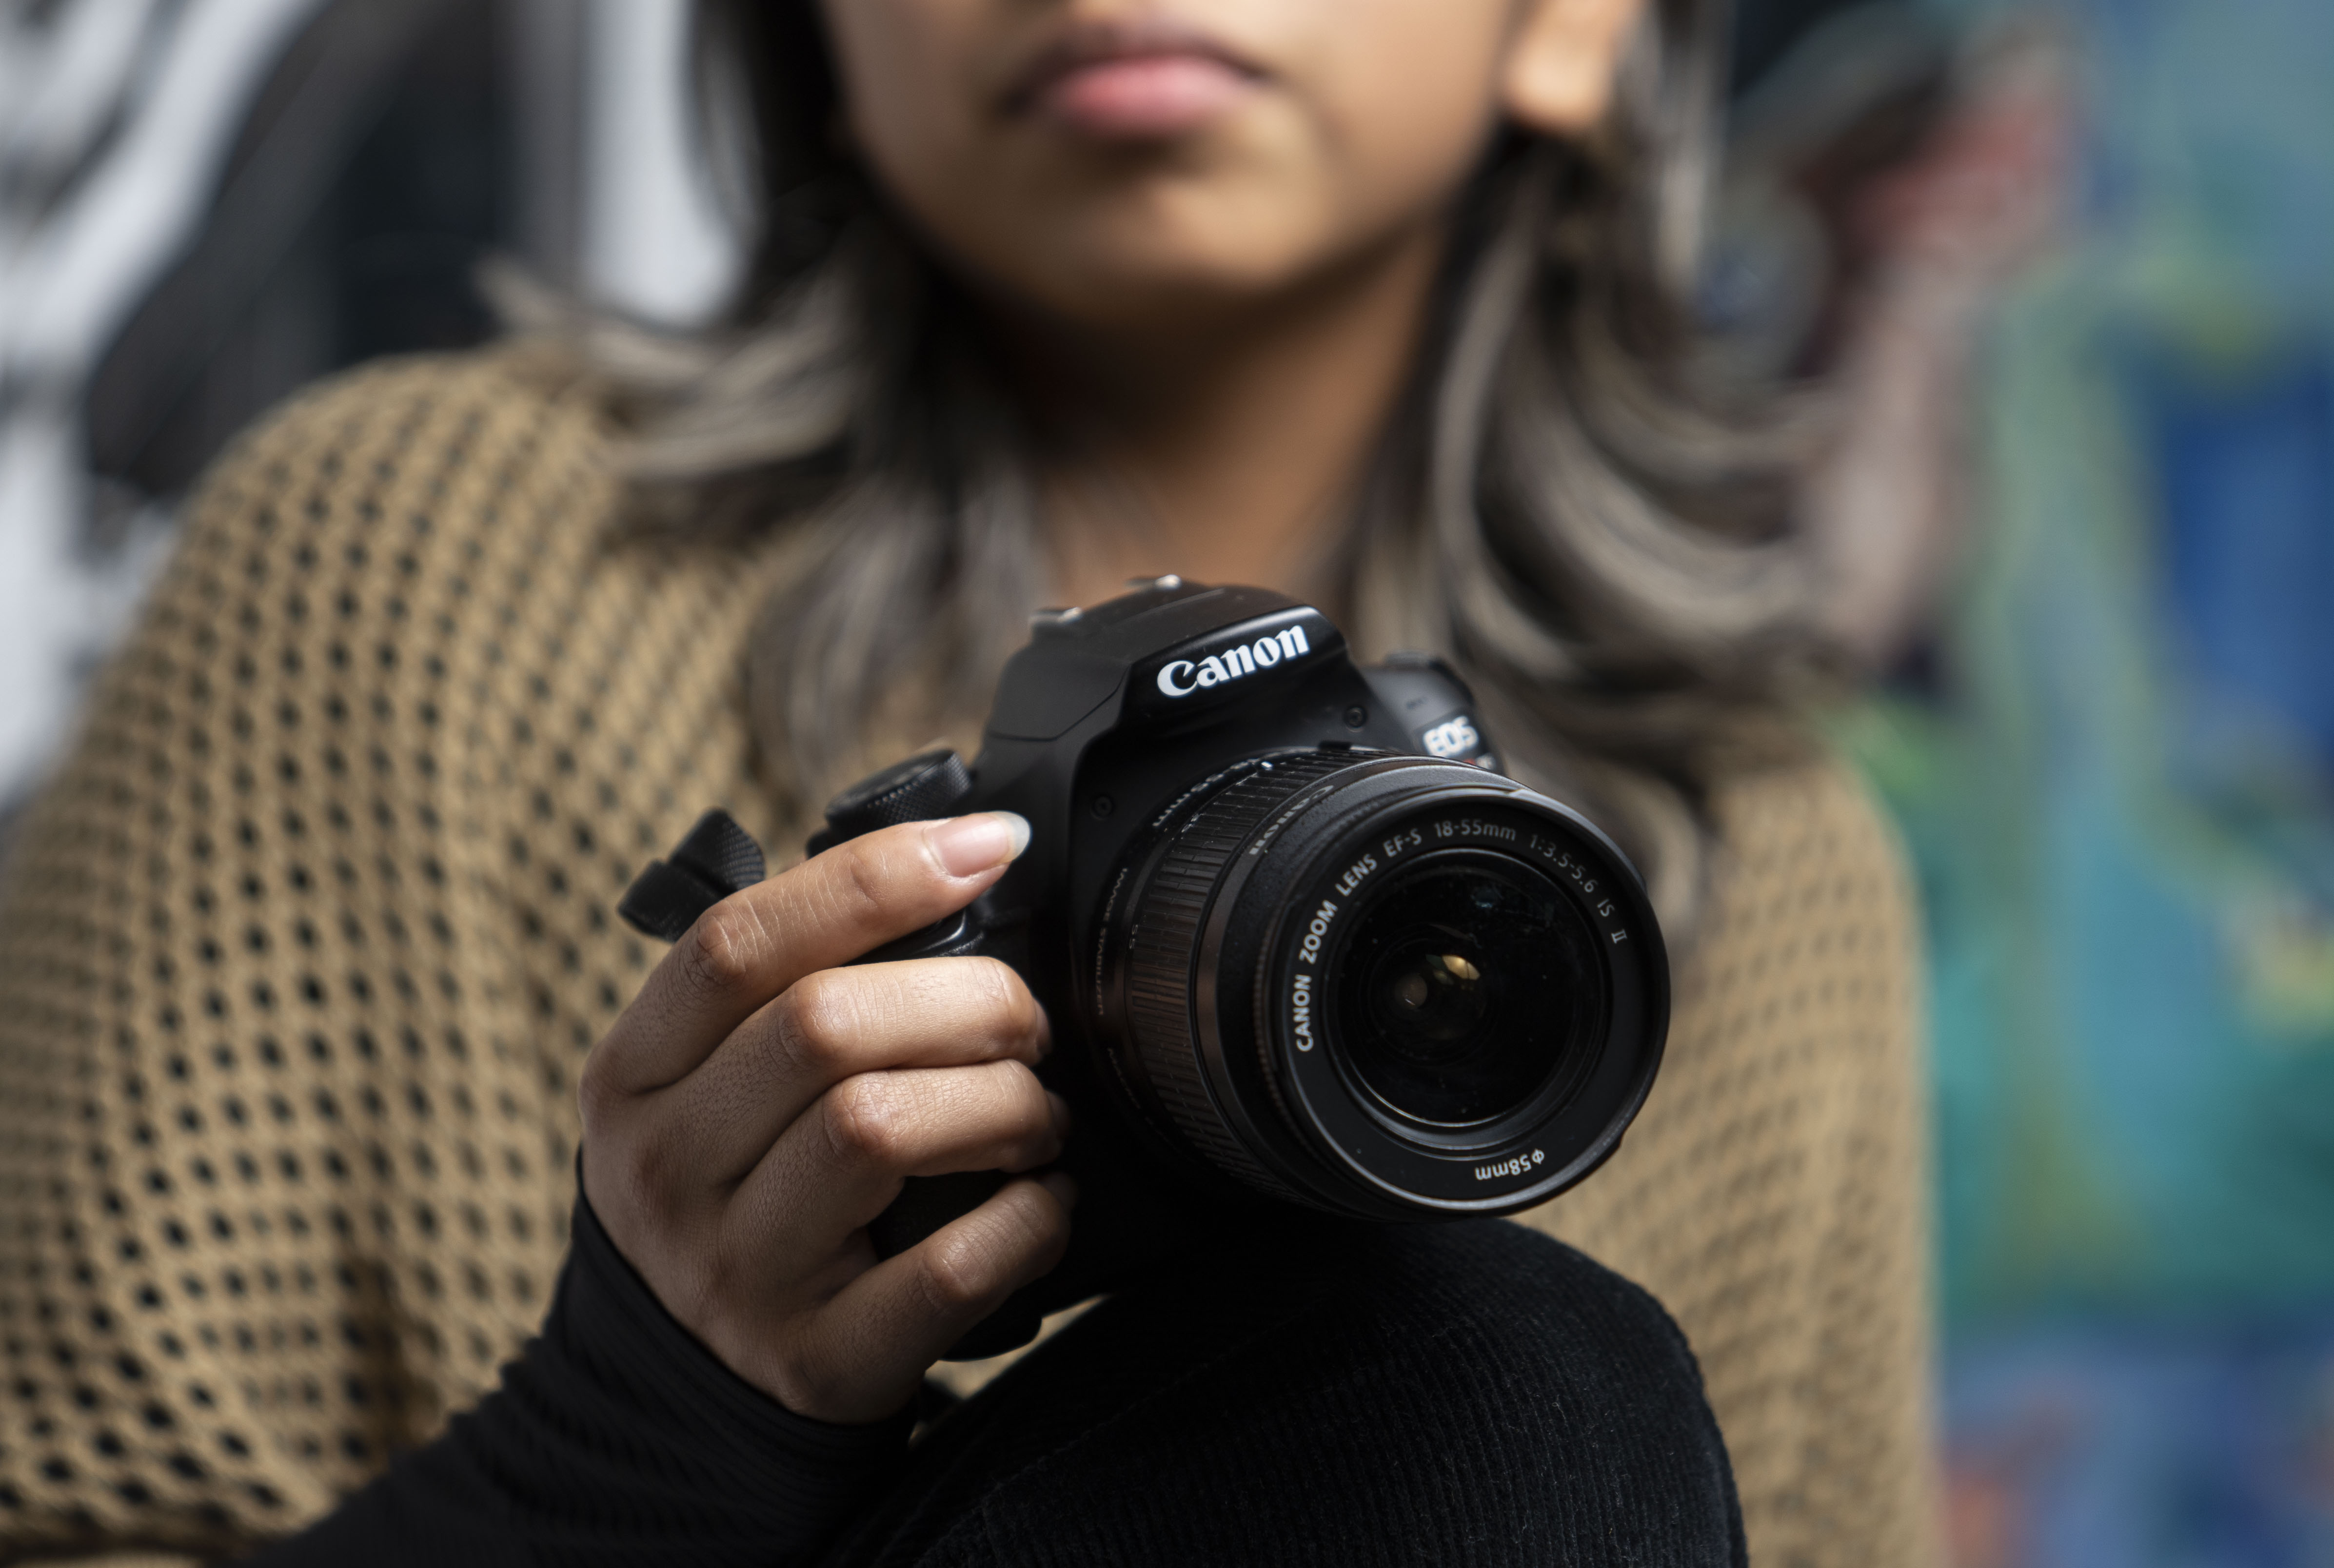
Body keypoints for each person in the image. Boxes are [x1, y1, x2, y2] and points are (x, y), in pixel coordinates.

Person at [0, 0, 1938, 1564]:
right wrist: (632, 1450)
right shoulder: (402, 575)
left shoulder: (1746, 839)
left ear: (1578, 21)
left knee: (1510, 1377)